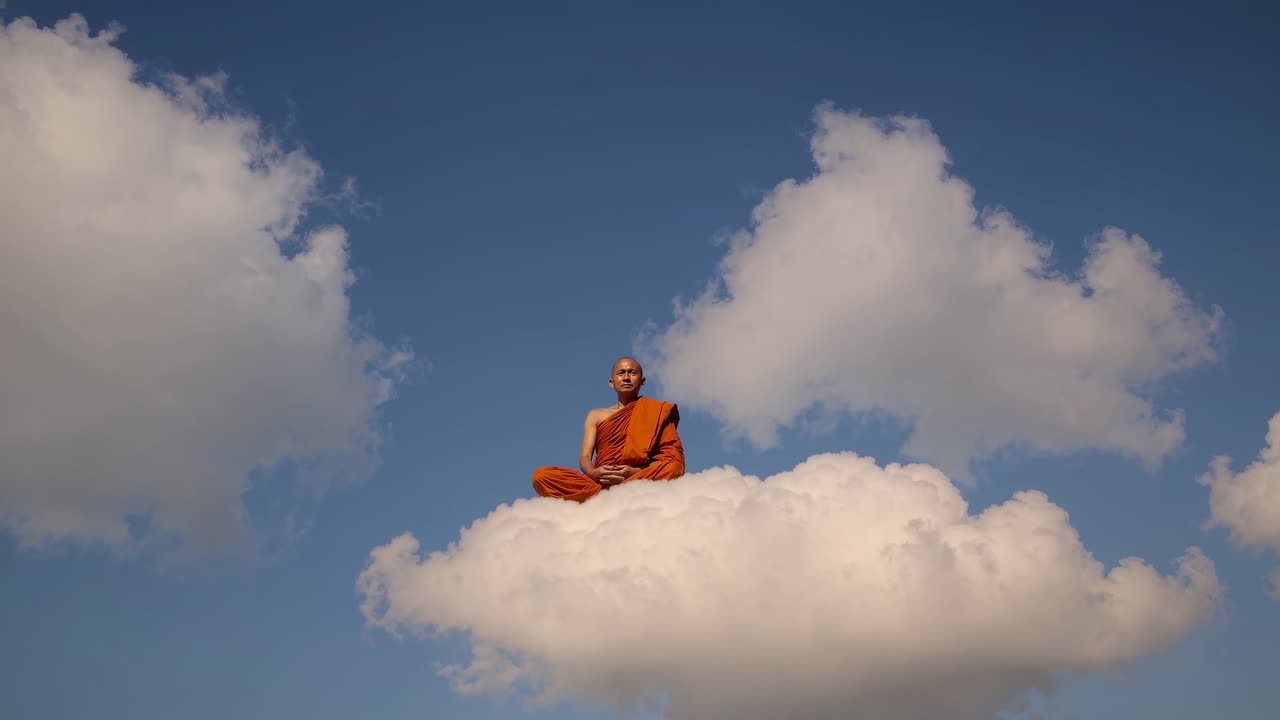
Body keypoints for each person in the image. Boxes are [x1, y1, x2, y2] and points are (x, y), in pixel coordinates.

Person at [532, 357, 685, 502]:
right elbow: (585, 457)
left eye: (632, 372)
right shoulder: (596, 415)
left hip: (636, 475)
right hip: (600, 480)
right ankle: (606, 493)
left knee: (674, 468)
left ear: (642, 381)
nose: (626, 377)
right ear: (612, 382)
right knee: (542, 476)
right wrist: (593, 472)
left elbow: (672, 458)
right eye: (621, 373)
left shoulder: (656, 411)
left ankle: (609, 493)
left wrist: (633, 472)